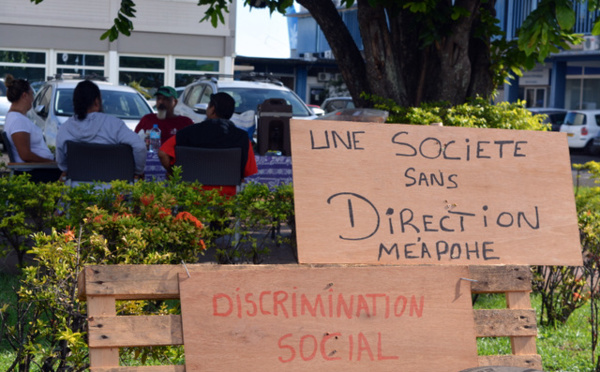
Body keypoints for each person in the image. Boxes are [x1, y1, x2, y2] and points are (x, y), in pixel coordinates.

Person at [158, 92, 257, 196]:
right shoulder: (242, 137)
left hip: (191, 197)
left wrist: (173, 173)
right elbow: (246, 171)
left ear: (212, 109)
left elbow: (162, 153)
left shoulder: (186, 133)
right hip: (226, 200)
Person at [56, 80, 147, 179]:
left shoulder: (64, 128)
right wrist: (137, 171)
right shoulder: (114, 125)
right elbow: (140, 147)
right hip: (115, 190)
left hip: (77, 189)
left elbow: (62, 164)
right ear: (96, 102)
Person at [3, 74, 61, 182]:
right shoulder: (18, 121)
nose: (33, 98)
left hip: (40, 169)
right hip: (36, 172)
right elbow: (25, 155)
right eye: (31, 94)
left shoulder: (16, 117)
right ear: (24, 95)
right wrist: (51, 163)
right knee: (72, 173)